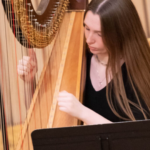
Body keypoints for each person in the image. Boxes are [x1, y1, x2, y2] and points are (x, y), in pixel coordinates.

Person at [57, 0, 150, 125]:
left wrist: (83, 113)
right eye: (87, 28)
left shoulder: (139, 73)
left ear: (121, 33)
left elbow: (136, 138)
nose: (89, 39)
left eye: (99, 34)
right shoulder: (80, 57)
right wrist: (30, 81)